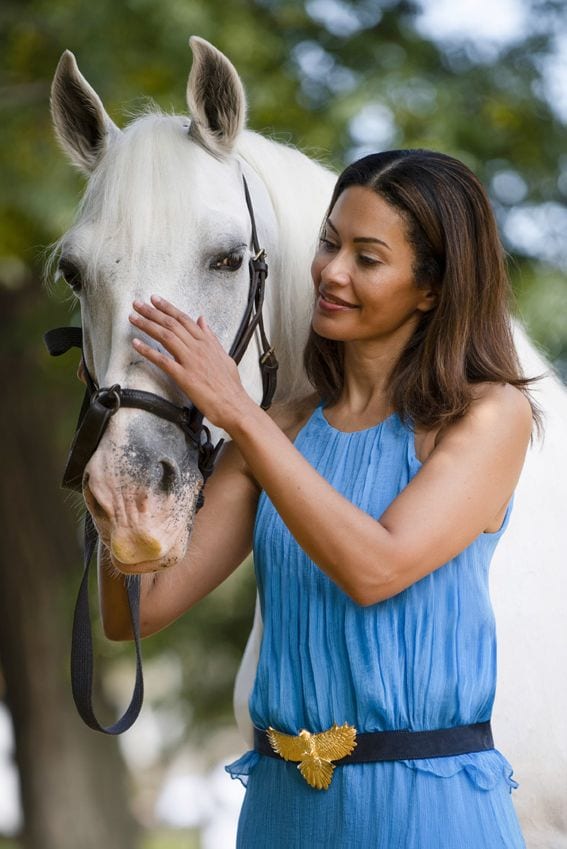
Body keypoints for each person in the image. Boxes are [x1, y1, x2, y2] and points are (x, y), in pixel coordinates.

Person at [104, 149, 538, 847]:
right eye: (329, 242)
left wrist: (238, 410)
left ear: (430, 288)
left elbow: (377, 568)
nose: (331, 271)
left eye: (367, 257)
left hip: (424, 811)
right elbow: (138, 609)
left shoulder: (483, 417)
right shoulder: (277, 432)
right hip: (282, 810)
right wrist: (123, 438)